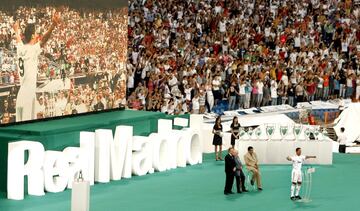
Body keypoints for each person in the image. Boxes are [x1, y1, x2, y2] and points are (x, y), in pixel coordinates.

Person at [13, 13, 60, 122]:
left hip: (20, 95)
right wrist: (53, 25)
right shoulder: (32, 50)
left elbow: (19, 40)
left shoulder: (20, 49)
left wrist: (16, 30)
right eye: (36, 32)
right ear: (33, 35)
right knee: (27, 130)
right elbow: (44, 40)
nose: (38, 34)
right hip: (29, 94)